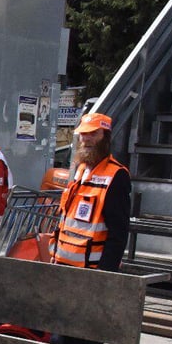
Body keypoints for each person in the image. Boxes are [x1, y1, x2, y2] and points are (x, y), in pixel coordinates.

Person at [50, 112, 131, 275]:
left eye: (93, 134)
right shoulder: (80, 170)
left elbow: (118, 232)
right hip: (62, 264)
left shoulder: (116, 175)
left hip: (90, 272)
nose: (86, 139)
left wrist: (104, 273)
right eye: (83, 134)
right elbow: (66, 219)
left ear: (106, 137)